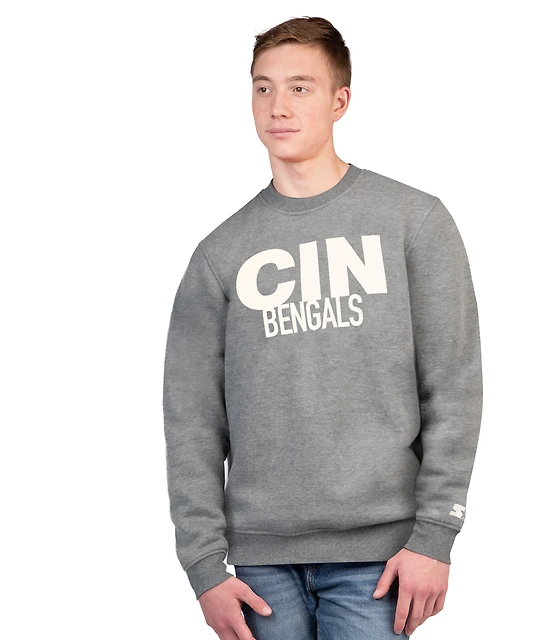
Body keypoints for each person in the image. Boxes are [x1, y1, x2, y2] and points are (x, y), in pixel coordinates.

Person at [162, 15, 483, 640]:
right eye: (263, 87)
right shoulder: (219, 254)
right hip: (259, 567)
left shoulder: (413, 222)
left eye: (300, 87)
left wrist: (436, 534)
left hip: (382, 558)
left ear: (340, 101)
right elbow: (191, 420)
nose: (277, 106)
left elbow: (454, 387)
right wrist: (203, 566)